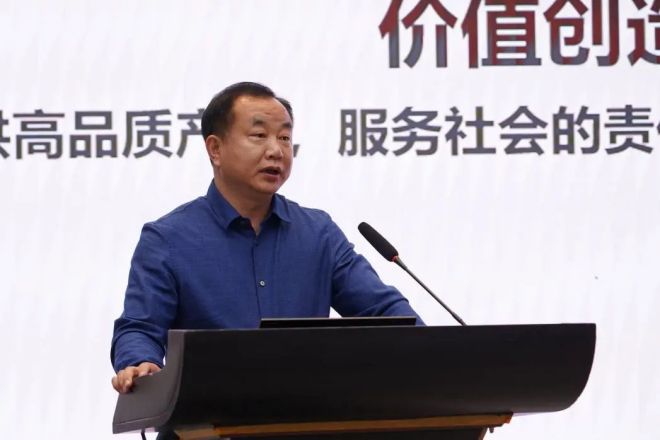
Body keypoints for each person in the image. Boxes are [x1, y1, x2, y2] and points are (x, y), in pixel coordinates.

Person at [110, 82, 422, 394]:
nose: (276, 150)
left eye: (284, 138)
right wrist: (141, 362)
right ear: (215, 149)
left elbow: (383, 312)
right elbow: (140, 328)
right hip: (207, 413)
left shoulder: (318, 233)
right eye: (259, 136)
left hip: (305, 412)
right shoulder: (168, 239)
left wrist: (433, 350)